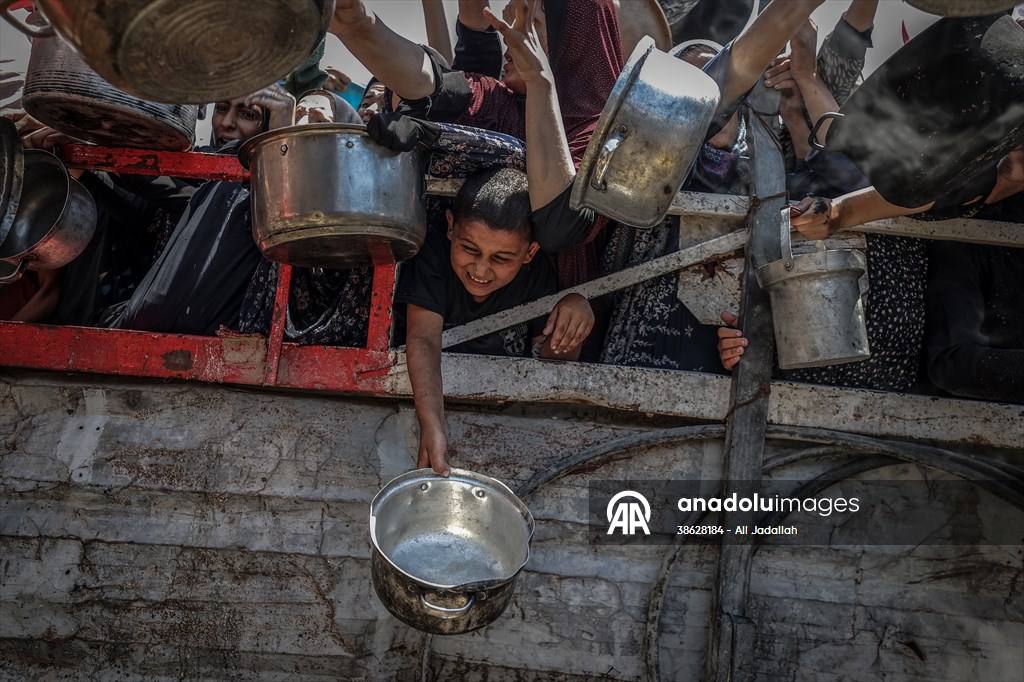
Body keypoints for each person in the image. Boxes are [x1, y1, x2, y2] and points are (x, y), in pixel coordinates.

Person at [394, 167, 594, 476]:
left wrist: (575, 317)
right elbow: (423, 338)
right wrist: (432, 425)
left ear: (529, 253)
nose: (481, 269)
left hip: (511, 428)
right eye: (469, 249)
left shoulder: (536, 275)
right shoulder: (433, 256)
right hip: (426, 411)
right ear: (450, 227)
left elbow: (551, 359)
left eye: (501, 259)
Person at [99, 84, 295, 335]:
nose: (226, 123)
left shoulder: (241, 195)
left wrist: (280, 139)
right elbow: (139, 206)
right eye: (221, 108)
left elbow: (282, 206)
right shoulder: (191, 165)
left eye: (248, 114)